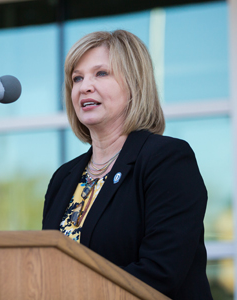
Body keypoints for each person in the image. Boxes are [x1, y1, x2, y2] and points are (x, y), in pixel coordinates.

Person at [42, 30, 212, 300]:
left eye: (101, 73)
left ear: (134, 83)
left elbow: (159, 273)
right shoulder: (63, 178)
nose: (85, 86)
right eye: (77, 78)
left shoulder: (167, 159)